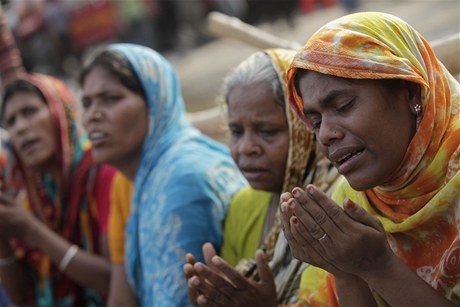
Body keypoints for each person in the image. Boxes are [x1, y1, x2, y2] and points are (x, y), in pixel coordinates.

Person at [281, 12, 459, 306]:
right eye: (314, 121)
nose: (326, 134)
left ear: (411, 91)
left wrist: (379, 267)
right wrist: (345, 271)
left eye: (343, 105)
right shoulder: (348, 205)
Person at [78, 43, 246, 306]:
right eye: (86, 103)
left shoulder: (183, 180)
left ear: (156, 102)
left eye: (111, 98)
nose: (92, 116)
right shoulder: (140, 179)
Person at [184, 48, 339, 306]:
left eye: (267, 131)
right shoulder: (242, 207)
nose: (245, 147)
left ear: (306, 127)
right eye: (235, 131)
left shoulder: (336, 206)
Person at [0, 73, 118, 306]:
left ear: (61, 112)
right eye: (11, 121)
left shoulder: (101, 172)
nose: (21, 127)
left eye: (30, 112)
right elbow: (23, 298)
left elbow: (114, 281)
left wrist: (33, 231)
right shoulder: (29, 195)